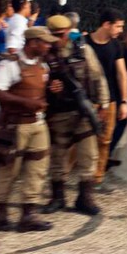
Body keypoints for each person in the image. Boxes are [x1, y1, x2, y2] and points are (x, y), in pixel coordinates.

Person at [0, 27, 59, 232]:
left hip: (38, 124)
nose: (49, 45)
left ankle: (28, 214)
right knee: (9, 169)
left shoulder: (42, 66)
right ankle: (1, 213)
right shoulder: (9, 65)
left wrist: (53, 91)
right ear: (33, 42)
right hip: (15, 126)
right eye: (45, 42)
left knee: (37, 170)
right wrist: (25, 102)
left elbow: (42, 91)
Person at [41, 15, 110, 215]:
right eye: (53, 35)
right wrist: (48, 87)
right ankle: (58, 197)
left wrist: (103, 105)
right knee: (58, 157)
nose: (57, 39)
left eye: (60, 35)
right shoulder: (44, 54)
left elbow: (98, 78)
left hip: (82, 112)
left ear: (68, 32)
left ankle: (85, 198)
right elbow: (35, 80)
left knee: (88, 155)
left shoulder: (83, 51)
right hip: (58, 114)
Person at [85, 8, 127, 188]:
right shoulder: (85, 42)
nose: (120, 30)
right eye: (118, 26)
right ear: (106, 24)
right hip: (87, 99)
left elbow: (121, 74)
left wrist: (124, 102)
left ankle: (97, 177)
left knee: (105, 140)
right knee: (80, 138)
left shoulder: (117, 46)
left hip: (109, 100)